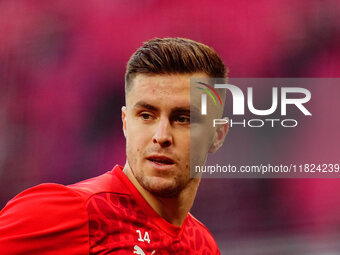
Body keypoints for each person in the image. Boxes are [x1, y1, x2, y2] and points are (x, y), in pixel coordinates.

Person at [0, 37, 229, 254]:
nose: (161, 136)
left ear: (217, 135)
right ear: (126, 123)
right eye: (146, 115)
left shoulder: (203, 245)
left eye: (183, 119)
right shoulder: (74, 211)